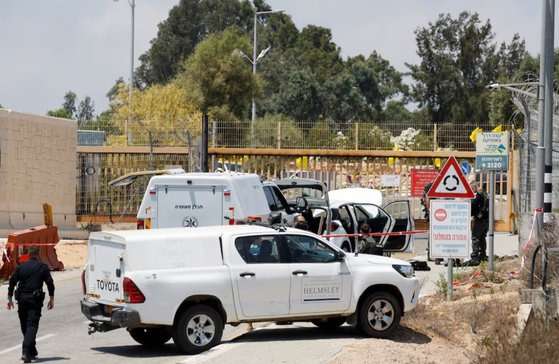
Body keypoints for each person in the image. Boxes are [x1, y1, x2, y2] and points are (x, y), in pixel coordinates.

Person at [6, 245, 55, 363]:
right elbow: (50, 283)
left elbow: (12, 281)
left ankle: (31, 350)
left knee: (25, 325)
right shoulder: (43, 268)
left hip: (22, 300)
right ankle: (26, 352)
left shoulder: (21, 267)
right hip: (34, 301)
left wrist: (9, 298)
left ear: (28, 255)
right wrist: (51, 298)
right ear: (38, 254)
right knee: (31, 326)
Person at [467, 181, 489, 266]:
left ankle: (475, 257)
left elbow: (473, 206)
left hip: (480, 220)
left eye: (472, 189)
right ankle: (482, 255)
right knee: (482, 238)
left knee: (475, 238)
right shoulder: (485, 194)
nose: (472, 191)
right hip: (486, 219)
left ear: (474, 187)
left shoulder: (478, 195)